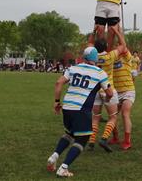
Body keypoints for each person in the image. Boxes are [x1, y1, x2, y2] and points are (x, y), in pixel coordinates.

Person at [46, 46, 112, 177]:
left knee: (69, 134)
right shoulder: (100, 72)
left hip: (67, 107)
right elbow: (109, 92)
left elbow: (59, 83)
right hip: (81, 109)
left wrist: (56, 101)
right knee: (82, 139)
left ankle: (54, 157)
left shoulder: (73, 68)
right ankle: (63, 168)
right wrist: (107, 98)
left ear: (84, 57)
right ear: (96, 58)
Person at [88, 25, 127, 152]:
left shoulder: (91, 58)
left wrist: (94, 32)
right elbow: (123, 46)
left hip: (95, 91)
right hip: (108, 89)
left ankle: (92, 142)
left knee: (95, 117)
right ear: (106, 47)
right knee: (113, 117)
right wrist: (116, 31)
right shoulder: (110, 56)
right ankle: (104, 138)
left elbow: (89, 44)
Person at [110, 31, 136, 150]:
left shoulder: (127, 56)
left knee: (125, 113)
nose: (118, 47)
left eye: (119, 46)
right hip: (115, 91)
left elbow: (123, 45)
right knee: (113, 116)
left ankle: (127, 141)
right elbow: (108, 47)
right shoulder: (112, 57)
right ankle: (115, 138)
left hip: (128, 91)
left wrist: (116, 31)